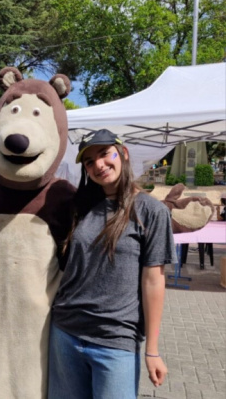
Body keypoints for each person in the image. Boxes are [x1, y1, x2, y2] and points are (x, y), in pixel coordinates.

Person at [48, 129, 175, 399]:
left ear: (123, 153)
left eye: (105, 154)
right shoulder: (81, 207)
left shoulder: (151, 212)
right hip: (65, 333)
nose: (99, 165)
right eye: (90, 162)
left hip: (115, 341)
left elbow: (153, 281)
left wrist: (152, 349)